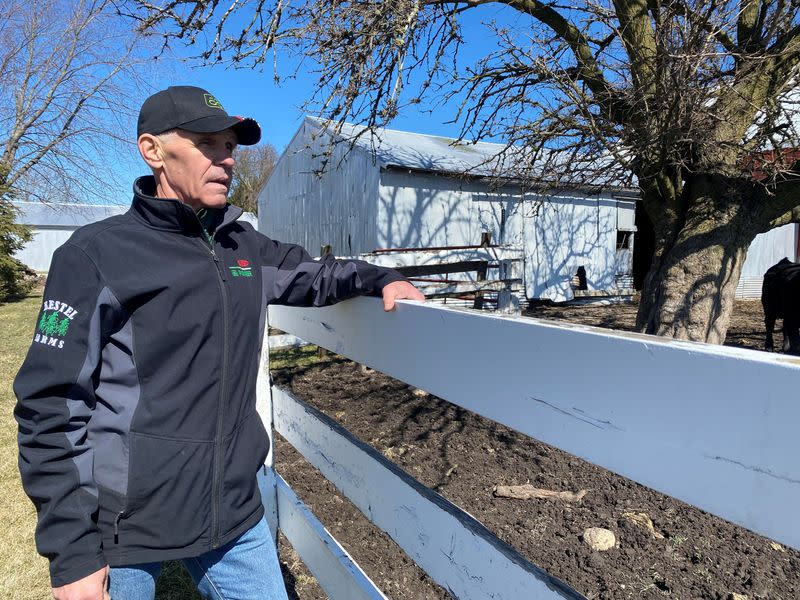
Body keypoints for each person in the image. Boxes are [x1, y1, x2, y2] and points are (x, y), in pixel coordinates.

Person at [14, 85, 424, 600]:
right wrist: (72, 550)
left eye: (230, 146)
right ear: (153, 150)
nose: (226, 159)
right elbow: (48, 403)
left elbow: (313, 274)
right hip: (124, 523)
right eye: (208, 144)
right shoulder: (95, 254)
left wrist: (380, 276)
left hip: (232, 511)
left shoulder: (243, 246)